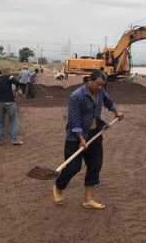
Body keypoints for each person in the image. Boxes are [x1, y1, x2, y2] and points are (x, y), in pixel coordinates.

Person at [53, 70, 123, 210]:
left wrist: (116, 112)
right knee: (73, 167)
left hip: (95, 134)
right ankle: (59, 186)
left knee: (95, 165)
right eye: (97, 84)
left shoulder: (100, 91)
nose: (100, 88)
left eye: (102, 85)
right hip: (75, 137)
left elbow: (108, 102)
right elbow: (74, 120)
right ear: (89, 80)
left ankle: (88, 199)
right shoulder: (76, 96)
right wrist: (81, 138)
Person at [0, 69, 23, 146]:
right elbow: (17, 83)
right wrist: (16, 91)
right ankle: (15, 140)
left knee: (0, 122)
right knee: (13, 121)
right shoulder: (8, 77)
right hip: (10, 102)